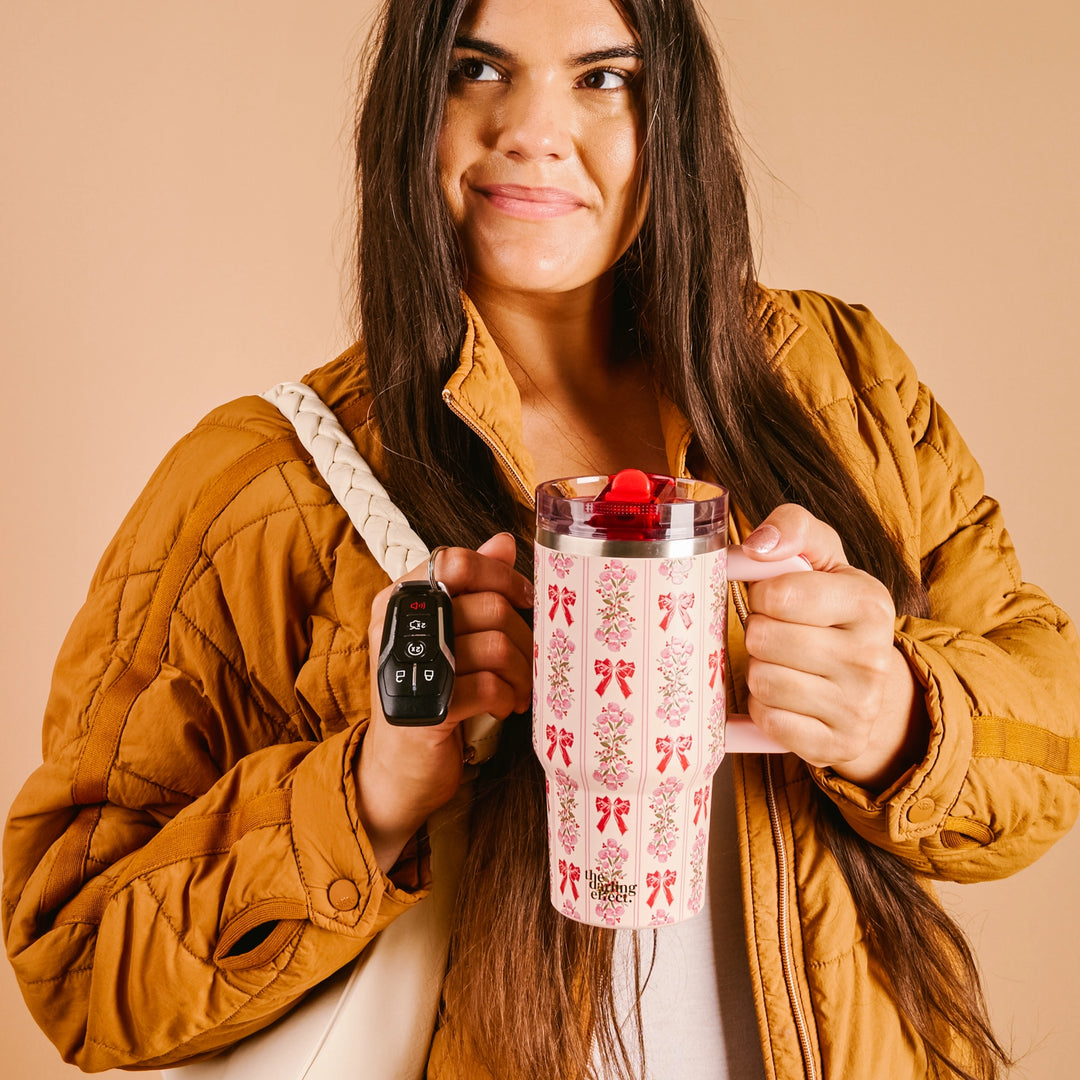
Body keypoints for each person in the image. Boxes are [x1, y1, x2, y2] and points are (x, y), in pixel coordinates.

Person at [4, 0, 1079, 1077]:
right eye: (478, 68)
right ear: (411, 109)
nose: (530, 127)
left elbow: (1054, 743)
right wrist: (367, 797)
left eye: (602, 76)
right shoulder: (265, 484)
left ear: (674, 114)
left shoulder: (836, 382)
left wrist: (899, 715)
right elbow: (74, 962)